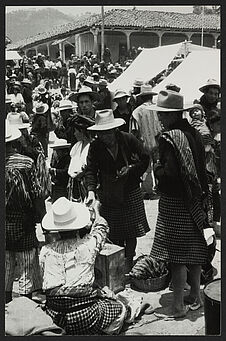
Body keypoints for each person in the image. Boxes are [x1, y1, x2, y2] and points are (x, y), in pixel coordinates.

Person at [40, 197, 151, 335]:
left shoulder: (45, 251)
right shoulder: (88, 245)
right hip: (86, 315)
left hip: (55, 316)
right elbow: (102, 227)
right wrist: (96, 209)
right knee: (119, 310)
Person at [148, 89, 209, 318]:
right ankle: (195, 295)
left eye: (163, 115)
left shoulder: (170, 138)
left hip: (175, 202)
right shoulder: (193, 133)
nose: (160, 119)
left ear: (173, 115)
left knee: (176, 256)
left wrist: (157, 167)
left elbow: (170, 175)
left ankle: (177, 306)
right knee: (193, 250)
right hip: (195, 199)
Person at [85, 109, 150, 272]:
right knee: (113, 232)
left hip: (130, 189)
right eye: (101, 133)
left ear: (114, 130)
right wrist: (91, 191)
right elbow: (91, 170)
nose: (105, 137)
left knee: (131, 231)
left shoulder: (128, 139)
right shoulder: (95, 146)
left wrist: (131, 170)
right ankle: (118, 261)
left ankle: (129, 260)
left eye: (108, 133)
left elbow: (145, 159)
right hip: (109, 192)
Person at [5, 121, 45, 304]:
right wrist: (41, 217)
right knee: (27, 264)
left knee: (6, 265)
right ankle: (25, 307)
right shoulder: (26, 163)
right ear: (13, 142)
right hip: (24, 220)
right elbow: (37, 193)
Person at [130, 84, 161, 199]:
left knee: (146, 167)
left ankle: (148, 191)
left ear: (141, 97)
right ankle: (160, 188)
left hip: (143, 143)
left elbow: (134, 131)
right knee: (158, 164)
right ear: (151, 97)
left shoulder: (137, 112)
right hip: (158, 142)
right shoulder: (157, 109)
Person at [68, 115, 95, 201]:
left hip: (88, 184)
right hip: (77, 185)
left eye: (76, 131)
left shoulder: (92, 147)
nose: (74, 134)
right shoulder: (77, 146)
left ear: (83, 132)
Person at [49, 139, 71, 203]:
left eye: (57, 151)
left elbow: (66, 171)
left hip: (63, 186)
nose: (56, 153)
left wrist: (55, 171)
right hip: (56, 186)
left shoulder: (67, 159)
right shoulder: (56, 159)